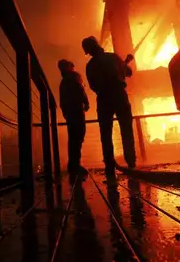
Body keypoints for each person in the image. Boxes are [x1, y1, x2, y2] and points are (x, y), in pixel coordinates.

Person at [81, 36, 137, 172]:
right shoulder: (113, 58)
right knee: (126, 128)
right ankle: (131, 162)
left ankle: (109, 164)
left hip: (103, 98)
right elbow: (128, 73)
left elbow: (93, 86)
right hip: (119, 95)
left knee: (105, 133)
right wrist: (123, 68)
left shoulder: (90, 66)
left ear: (89, 51)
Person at [58, 59, 90, 173]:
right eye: (71, 65)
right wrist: (86, 102)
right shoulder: (74, 76)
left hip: (70, 114)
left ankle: (73, 165)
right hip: (77, 111)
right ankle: (75, 165)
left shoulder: (63, 82)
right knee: (79, 136)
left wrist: (65, 113)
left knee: (73, 138)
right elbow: (80, 89)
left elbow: (62, 101)